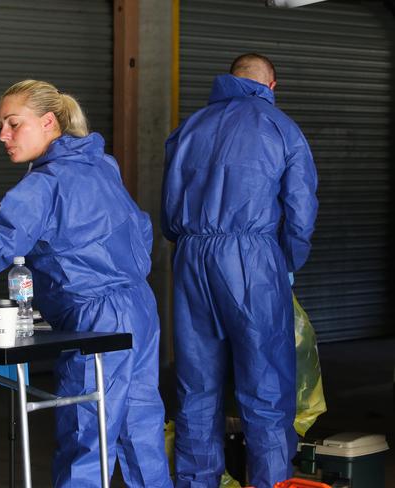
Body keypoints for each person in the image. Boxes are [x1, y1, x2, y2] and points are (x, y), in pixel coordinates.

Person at [0, 80, 173, 487]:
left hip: (96, 314)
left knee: (88, 433)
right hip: (138, 304)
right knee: (141, 426)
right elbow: (137, 228)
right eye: (0, 125)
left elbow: (2, 240)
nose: (3, 136)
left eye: (13, 124)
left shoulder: (43, 184)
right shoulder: (102, 165)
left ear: (48, 122)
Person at [160, 54, 318, 488]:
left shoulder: (189, 127)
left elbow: (170, 214)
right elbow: (301, 212)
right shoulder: (280, 127)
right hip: (254, 258)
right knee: (265, 388)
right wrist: (286, 262)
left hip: (191, 257)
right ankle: (270, 483)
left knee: (196, 388)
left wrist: (194, 243)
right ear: (272, 85)